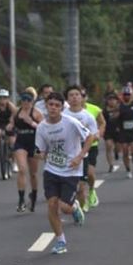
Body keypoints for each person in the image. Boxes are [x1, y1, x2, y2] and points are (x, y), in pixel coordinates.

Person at [35, 90, 94, 254]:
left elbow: (90, 137)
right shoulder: (42, 127)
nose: (53, 108)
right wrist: (40, 154)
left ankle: (74, 207)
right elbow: (39, 149)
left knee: (64, 207)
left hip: (71, 170)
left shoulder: (71, 122)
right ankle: (61, 240)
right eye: (50, 105)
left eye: (57, 105)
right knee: (52, 205)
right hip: (51, 170)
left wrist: (80, 156)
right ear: (46, 106)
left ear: (61, 108)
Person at [63, 86, 102, 210]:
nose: (74, 97)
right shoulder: (63, 115)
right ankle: (76, 206)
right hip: (68, 151)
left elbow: (94, 135)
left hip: (86, 149)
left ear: (81, 98)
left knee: (85, 179)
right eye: (71, 95)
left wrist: (88, 140)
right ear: (67, 99)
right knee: (70, 183)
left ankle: (88, 195)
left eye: (77, 95)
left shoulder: (88, 116)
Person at [12, 90, 43, 212]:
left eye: (28, 100)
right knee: (22, 169)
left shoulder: (36, 113)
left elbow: (44, 127)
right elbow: (11, 123)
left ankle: (34, 195)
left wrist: (32, 123)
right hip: (20, 143)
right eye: (23, 100)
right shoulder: (17, 112)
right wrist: (10, 127)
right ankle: (21, 200)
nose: (25, 103)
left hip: (33, 143)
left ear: (32, 102)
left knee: (33, 174)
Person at [116, 86, 133, 178]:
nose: (127, 96)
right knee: (125, 150)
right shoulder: (119, 105)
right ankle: (128, 170)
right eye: (125, 95)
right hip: (123, 130)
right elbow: (114, 116)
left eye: (128, 95)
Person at [102, 92, 121, 173]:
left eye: (113, 100)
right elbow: (101, 121)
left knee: (118, 147)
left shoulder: (120, 109)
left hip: (118, 131)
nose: (112, 101)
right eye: (110, 100)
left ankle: (116, 152)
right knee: (108, 146)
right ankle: (111, 165)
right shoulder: (104, 111)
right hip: (108, 131)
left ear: (117, 101)